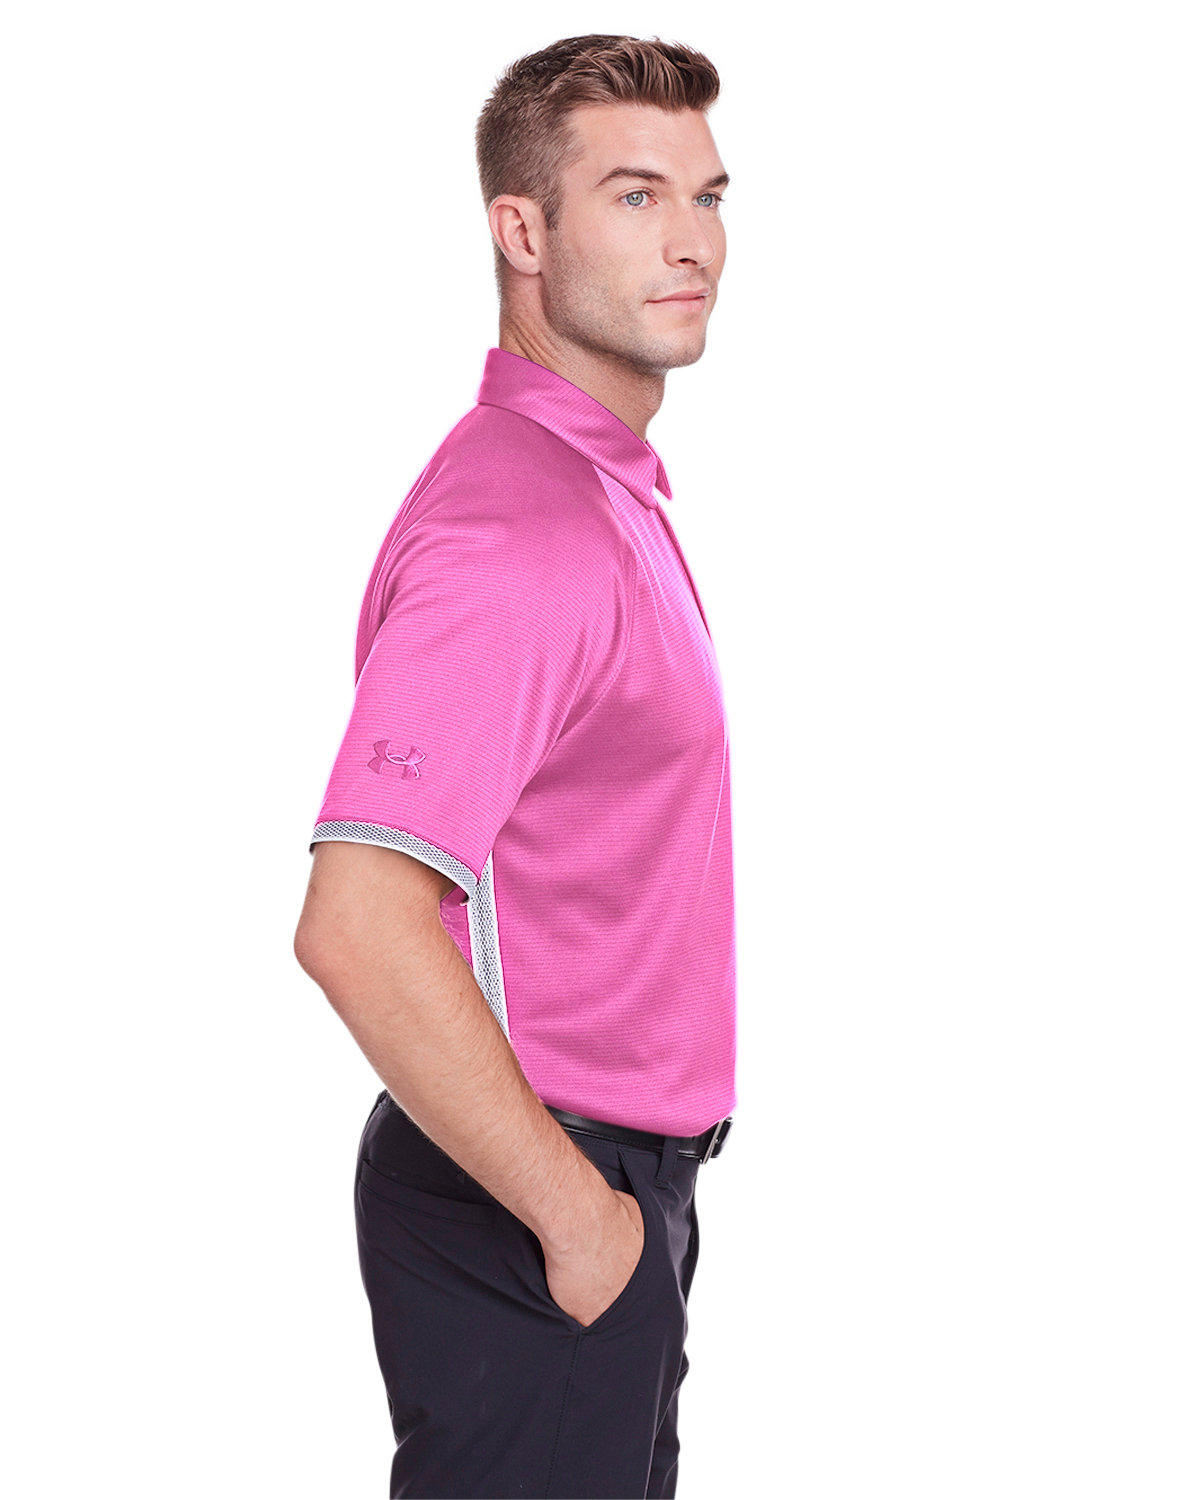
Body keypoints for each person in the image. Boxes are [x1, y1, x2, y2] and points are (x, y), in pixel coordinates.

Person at [294, 33, 736, 1500]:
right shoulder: (522, 534)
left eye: (707, 196)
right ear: (523, 232)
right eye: (634, 195)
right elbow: (357, 925)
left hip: (592, 1194)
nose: (692, 241)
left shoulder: (596, 491)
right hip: (537, 1199)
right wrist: (580, 1218)